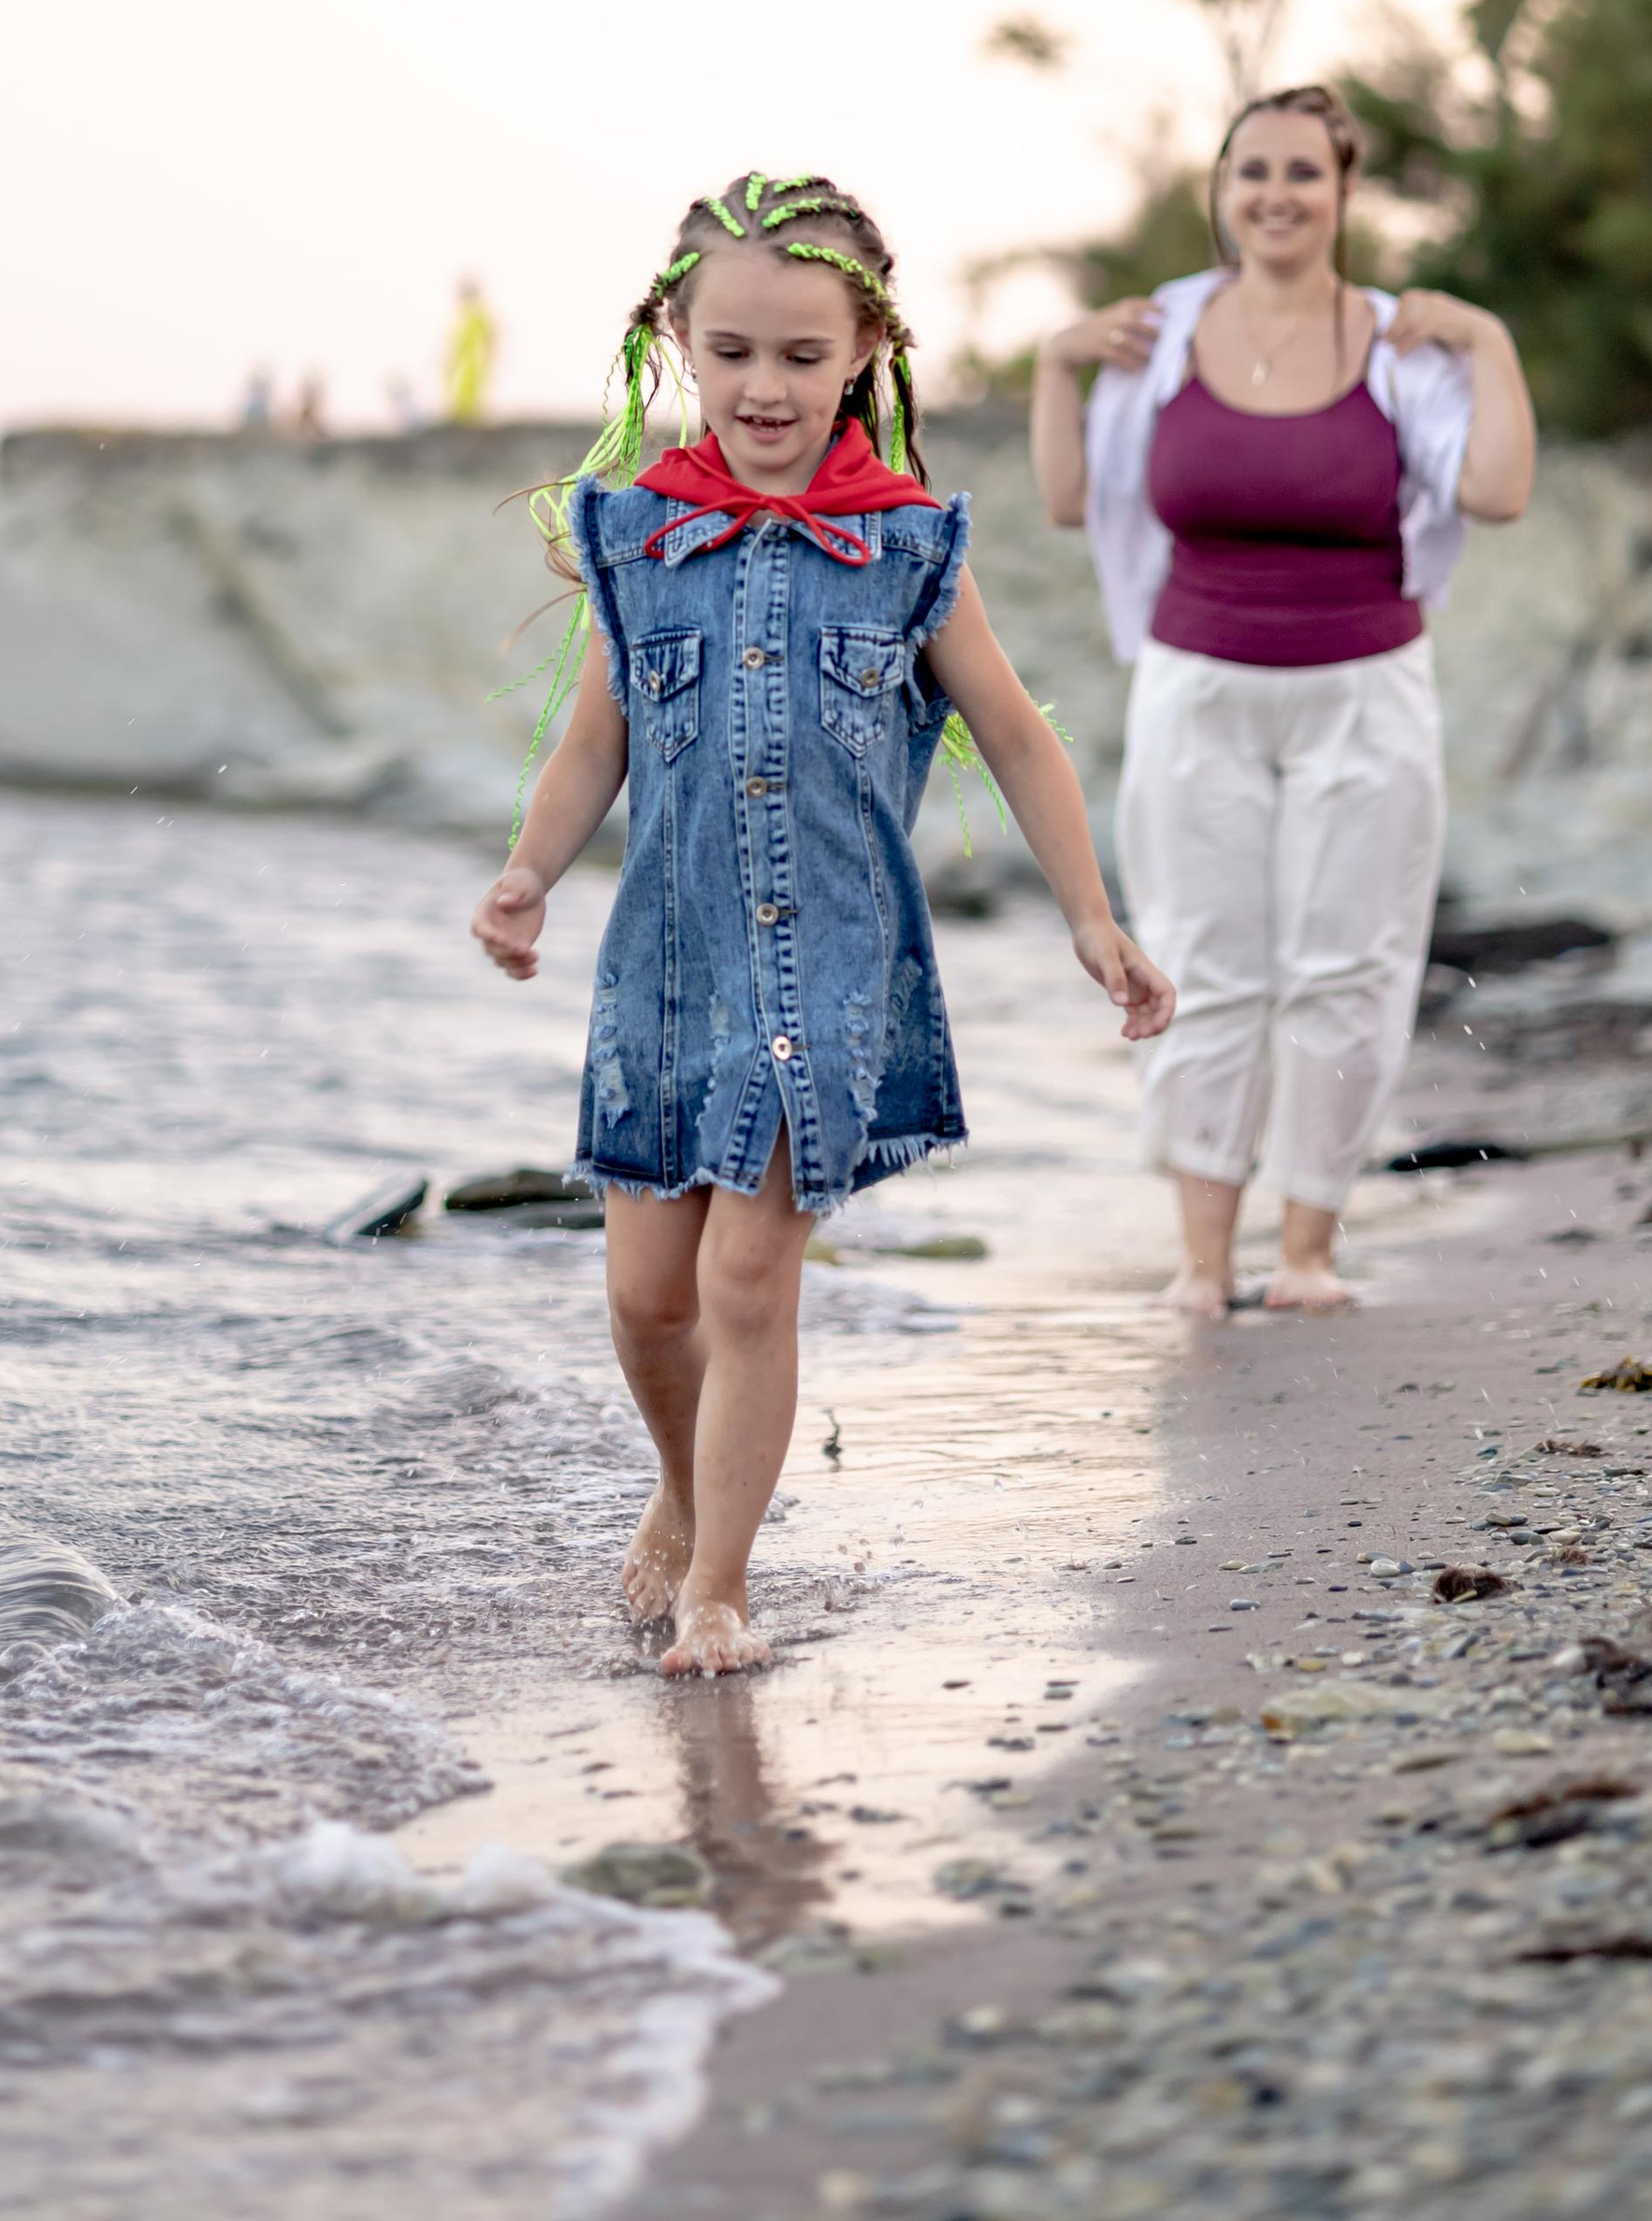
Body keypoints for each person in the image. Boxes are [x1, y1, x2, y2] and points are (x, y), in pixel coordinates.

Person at [471, 173, 1174, 1677]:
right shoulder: (642, 536)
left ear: (865, 349)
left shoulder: (907, 546)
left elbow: (1023, 736)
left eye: (801, 355)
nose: (764, 386)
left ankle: (720, 1584)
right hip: (661, 969)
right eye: (731, 353)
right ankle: (680, 1489)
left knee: (744, 1279)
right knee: (646, 1295)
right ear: (677, 339)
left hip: (830, 970)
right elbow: (594, 742)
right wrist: (530, 871)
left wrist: (1093, 921)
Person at [1030, 83, 1536, 1320]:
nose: (1276, 194)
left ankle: (1307, 1251)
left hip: (1366, 690)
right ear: (1222, 190)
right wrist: (1053, 359)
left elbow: (1501, 490)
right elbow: (1063, 501)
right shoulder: (1156, 342)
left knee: (1349, 966)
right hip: (1196, 687)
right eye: (1252, 170)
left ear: (1344, 193)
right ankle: (1203, 1262)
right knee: (1203, 961)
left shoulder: (1400, 343)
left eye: (1304, 173)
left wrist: (1492, 343)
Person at [445, 278, 497, 423]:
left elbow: (488, 339)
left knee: (468, 401)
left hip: (471, 366)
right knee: (460, 399)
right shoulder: (467, 317)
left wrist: (487, 359)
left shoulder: (477, 316)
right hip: (464, 367)